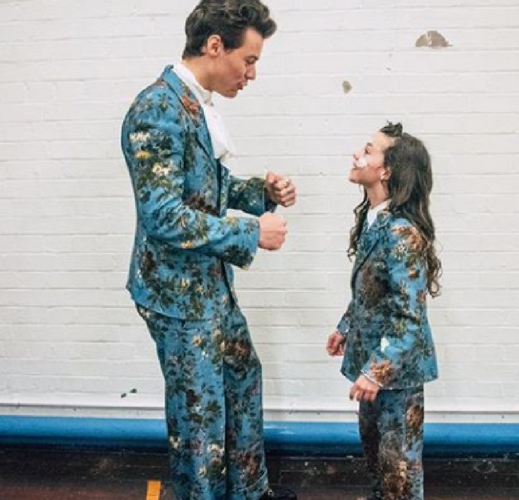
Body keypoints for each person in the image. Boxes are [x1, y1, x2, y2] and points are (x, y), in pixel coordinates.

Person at [120, 1, 296, 499]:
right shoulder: (157, 109)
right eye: (249, 60)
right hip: (177, 296)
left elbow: (205, 190)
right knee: (200, 418)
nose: (252, 74)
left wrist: (260, 191)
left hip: (210, 286)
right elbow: (162, 215)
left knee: (242, 379)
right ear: (215, 46)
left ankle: (249, 493)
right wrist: (250, 233)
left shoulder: (196, 104)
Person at [326, 122, 441, 500]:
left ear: (386, 171)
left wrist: (375, 373)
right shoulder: (375, 220)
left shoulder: (401, 233)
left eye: (368, 150)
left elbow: (409, 318)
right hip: (373, 365)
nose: (357, 155)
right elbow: (373, 291)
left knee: (399, 473)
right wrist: (346, 326)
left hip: (396, 374)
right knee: (378, 461)